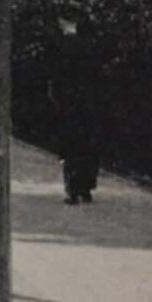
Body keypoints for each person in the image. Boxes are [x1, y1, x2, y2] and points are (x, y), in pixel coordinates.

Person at [49, 11, 104, 205]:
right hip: (88, 104)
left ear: (63, 20)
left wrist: (57, 98)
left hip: (68, 105)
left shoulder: (61, 46)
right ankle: (86, 189)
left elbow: (56, 78)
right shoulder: (89, 45)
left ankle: (72, 191)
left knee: (70, 147)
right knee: (87, 145)